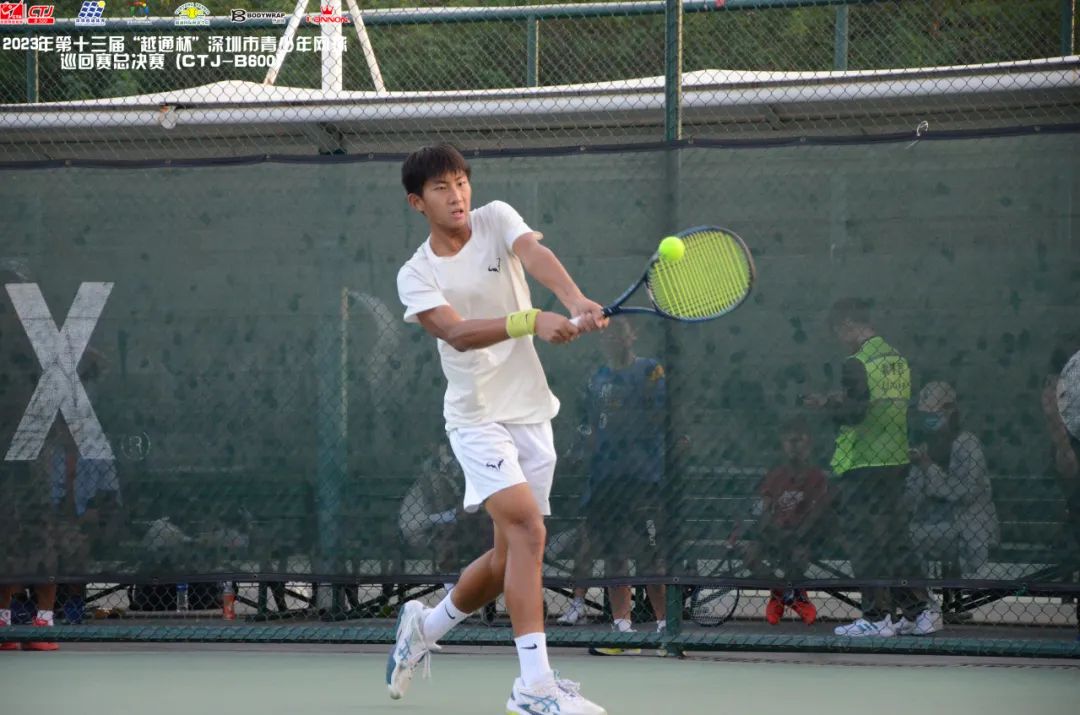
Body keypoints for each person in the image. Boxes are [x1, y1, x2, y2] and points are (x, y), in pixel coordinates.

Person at [390, 143, 608, 714]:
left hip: (530, 412)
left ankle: (423, 629)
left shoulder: (496, 218)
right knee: (530, 531)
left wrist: (574, 299)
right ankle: (534, 687)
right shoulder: (416, 274)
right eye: (441, 187)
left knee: (508, 559)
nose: (457, 195)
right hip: (477, 419)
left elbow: (534, 253)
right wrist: (532, 319)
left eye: (461, 182)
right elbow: (456, 333)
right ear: (418, 202)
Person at [804, 298, 936, 638]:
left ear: (848, 325)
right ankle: (919, 612)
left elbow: (856, 413)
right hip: (894, 459)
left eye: (838, 332)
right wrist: (841, 400)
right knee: (895, 538)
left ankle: (877, 618)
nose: (840, 340)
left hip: (863, 462)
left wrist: (828, 406)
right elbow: (878, 404)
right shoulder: (895, 359)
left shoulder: (856, 362)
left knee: (865, 540)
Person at [555, 320, 668, 656]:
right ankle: (623, 630)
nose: (612, 339)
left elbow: (662, 416)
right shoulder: (597, 379)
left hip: (643, 479)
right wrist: (585, 444)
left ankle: (667, 629)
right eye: (606, 334)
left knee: (649, 556)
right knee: (614, 555)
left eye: (619, 333)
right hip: (604, 481)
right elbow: (588, 425)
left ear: (633, 335)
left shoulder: (651, 371)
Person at [0, 262, 59, 651]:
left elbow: (90, 365)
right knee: (5, 531)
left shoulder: (38, 339)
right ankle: (3, 621)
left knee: (39, 528)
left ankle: (44, 621)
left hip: (33, 445)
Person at [740, 417, 828, 626]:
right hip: (775, 533)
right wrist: (771, 529)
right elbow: (765, 508)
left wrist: (798, 534)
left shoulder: (817, 476)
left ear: (809, 445)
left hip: (802, 536)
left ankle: (796, 595)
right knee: (749, 555)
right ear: (783, 445)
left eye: (799, 441)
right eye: (790, 441)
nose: (794, 446)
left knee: (798, 557)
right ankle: (781, 592)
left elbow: (818, 512)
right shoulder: (776, 475)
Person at [906, 382, 998, 580]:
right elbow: (911, 495)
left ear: (950, 411)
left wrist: (928, 467)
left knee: (909, 539)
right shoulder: (923, 446)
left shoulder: (968, 444)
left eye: (934, 414)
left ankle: (921, 594)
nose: (928, 420)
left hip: (966, 527)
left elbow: (965, 493)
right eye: (925, 415)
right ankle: (919, 594)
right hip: (929, 524)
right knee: (903, 537)